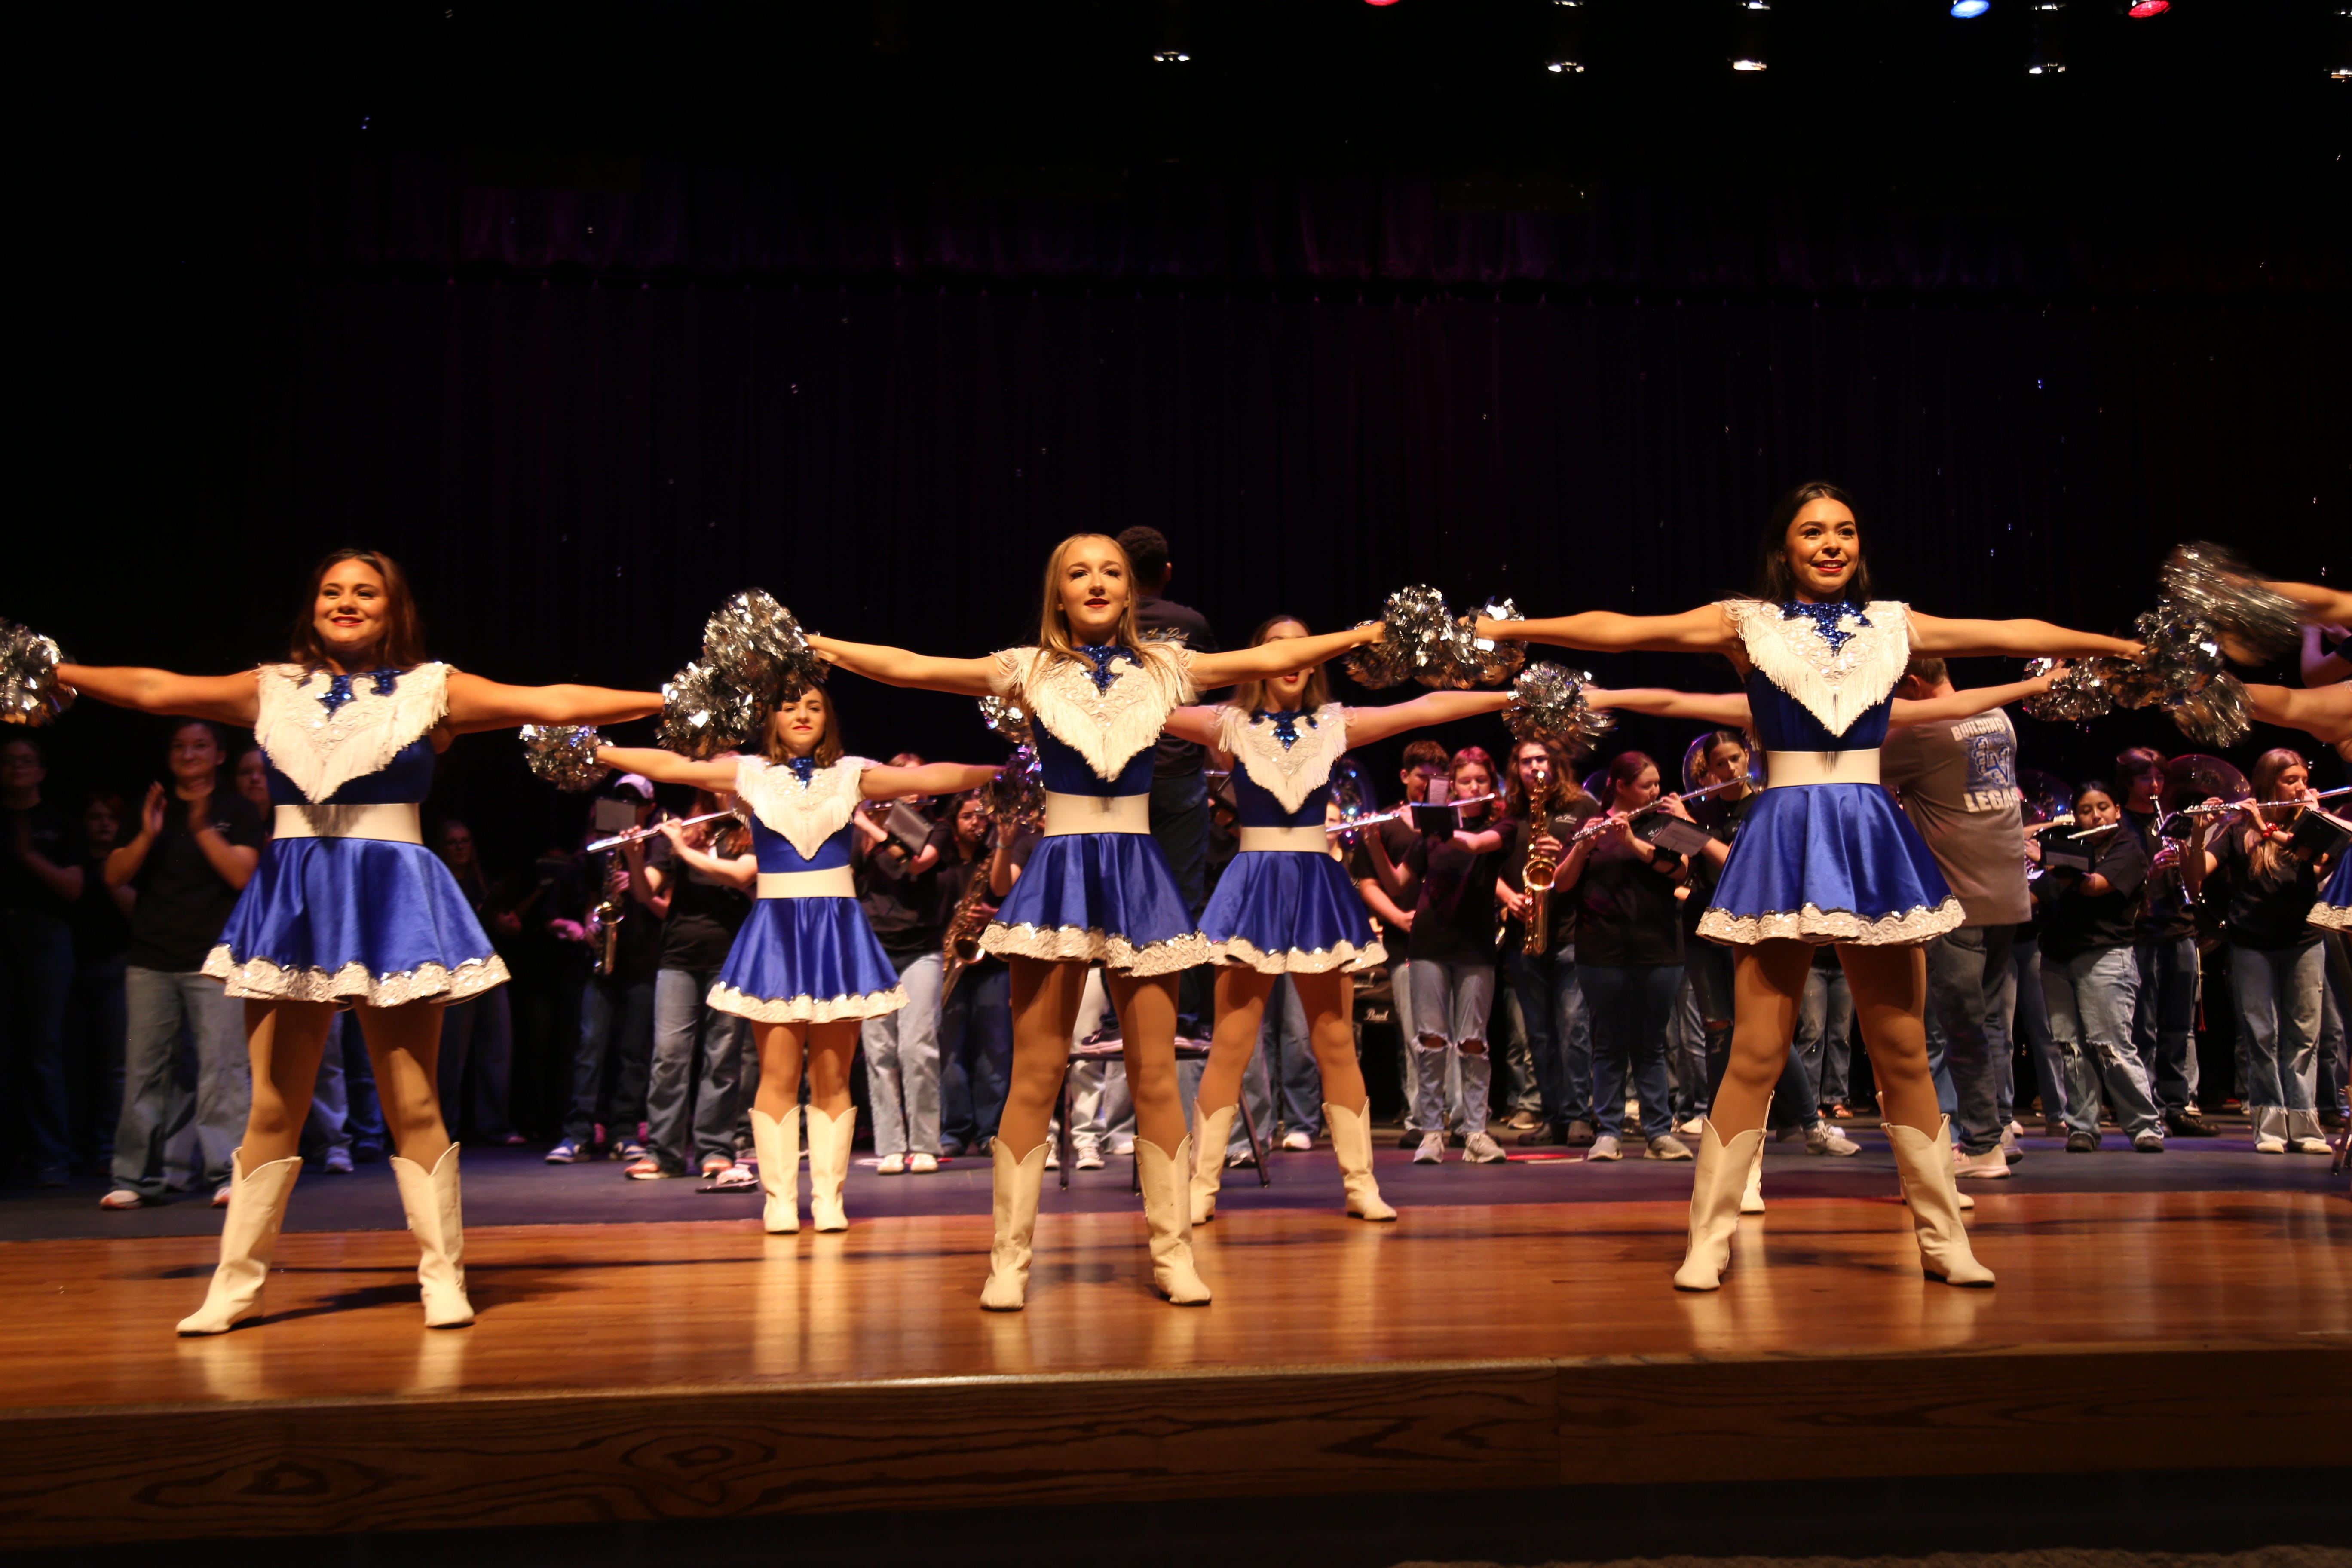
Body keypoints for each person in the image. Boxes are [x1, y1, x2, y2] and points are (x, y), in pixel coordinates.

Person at [1484, 480, 2139, 1289]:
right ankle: (1709, 1236)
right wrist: (1514, 629)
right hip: (1787, 834)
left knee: (1900, 1046)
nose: (1831, 544)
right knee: (1756, 1050)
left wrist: (2121, 649)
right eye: (1812, 532)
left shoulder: (1894, 622)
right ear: (1784, 548)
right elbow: (1626, 630)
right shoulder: (1745, 622)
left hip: (1870, 833)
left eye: (1845, 531)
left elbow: (2010, 631)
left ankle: (1943, 1237)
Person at [54, 546, 662, 1332]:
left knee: (412, 1097)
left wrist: (665, 698)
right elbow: (156, 689)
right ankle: (234, 1286)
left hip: (391, 897)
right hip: (295, 896)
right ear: (312, 605)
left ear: (392, 607)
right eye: (332, 591)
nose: (346, 602)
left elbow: (549, 698)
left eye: (364, 592)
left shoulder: (431, 690)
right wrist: (59, 671)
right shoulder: (270, 686)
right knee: (273, 1104)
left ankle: (442, 1275)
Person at [808, 533, 1381, 1309]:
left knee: (1154, 1074)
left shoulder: (1167, 668)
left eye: (1111, 570)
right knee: (1037, 1071)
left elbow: (1256, 662)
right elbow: (912, 666)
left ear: (1130, 589)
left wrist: (1356, 638)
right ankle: (1008, 1259)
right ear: (1059, 592)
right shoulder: (1026, 669)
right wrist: (817, 647)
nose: (1097, 581)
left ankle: (1173, 1252)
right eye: (1079, 572)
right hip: (1063, 869)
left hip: (1140, 873)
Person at [593, 685, 996, 1232]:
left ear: (828, 717)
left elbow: (929, 779)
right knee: (778, 1072)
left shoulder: (852, 773)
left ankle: (829, 1198)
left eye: (813, 706)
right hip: (778, 931)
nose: (802, 716)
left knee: (833, 1075)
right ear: (771, 718)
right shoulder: (750, 773)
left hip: (837, 930)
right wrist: (595, 752)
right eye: (789, 707)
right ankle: (779, 1200)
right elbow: (671, 766)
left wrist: (1001, 768)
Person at [1170, 613, 1516, 1222]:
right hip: (1252, 887)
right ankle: (1202, 1186)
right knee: (1230, 1045)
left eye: (1303, 647)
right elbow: (1144, 703)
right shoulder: (1226, 725)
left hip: (1314, 889)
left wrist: (1518, 695)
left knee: (1335, 1043)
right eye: (1276, 647)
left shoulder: (1336, 725)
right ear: (1254, 661)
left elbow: (1429, 708)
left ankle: (1361, 1185)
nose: (1291, 658)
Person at [99, 721, 267, 1209]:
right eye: (179, 746)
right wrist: (148, 835)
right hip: (152, 958)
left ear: (219, 755)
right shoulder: (150, 809)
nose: (188, 754)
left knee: (222, 1070)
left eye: (200, 746)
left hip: (213, 960)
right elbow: (113, 874)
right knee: (145, 1071)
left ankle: (225, 1173)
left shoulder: (235, 810)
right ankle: (135, 1178)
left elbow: (242, 875)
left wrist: (200, 829)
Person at [1884, 655, 2040, 1180]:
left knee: (1963, 1028)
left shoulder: (1923, 731)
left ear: (1912, 683)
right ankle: (1998, 1132)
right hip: (2007, 895)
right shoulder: (1998, 718)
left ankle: (1981, 1146)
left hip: (1960, 899)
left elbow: (1853, 772)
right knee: (1993, 1024)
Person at [2174, 750, 2334, 1155]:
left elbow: (2317, 865)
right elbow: (2193, 882)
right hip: (2251, 945)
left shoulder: (2312, 824)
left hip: (2303, 943)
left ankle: (2305, 1124)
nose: (2300, 786)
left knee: (2304, 1035)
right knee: (2262, 1035)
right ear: (2269, 785)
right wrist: (2199, 832)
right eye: (2290, 780)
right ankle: (2270, 1125)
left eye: (2302, 777)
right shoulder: (2235, 831)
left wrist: (2271, 825)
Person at [1554, 752, 1691, 1164]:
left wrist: (1633, 841)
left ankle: (1657, 1133)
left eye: (1656, 783)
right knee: (1609, 1043)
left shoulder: (1664, 824)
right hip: (1603, 951)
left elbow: (1681, 870)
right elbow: (1561, 885)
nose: (1656, 791)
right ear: (1620, 786)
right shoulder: (1587, 825)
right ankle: (1609, 1132)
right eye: (1647, 785)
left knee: (1651, 1044)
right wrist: (1585, 848)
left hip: (1659, 948)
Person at [1117, 526, 1221, 1041]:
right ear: (1167, 572)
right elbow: (1209, 691)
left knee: (1123, 894)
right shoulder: (1191, 623)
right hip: (1180, 776)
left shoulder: (1104, 624)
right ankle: (1182, 1012)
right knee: (1181, 896)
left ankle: (1122, 1016)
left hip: (1119, 778)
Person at [1392, 747, 1510, 1164]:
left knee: (1474, 1041)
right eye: (1465, 782)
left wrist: (1437, 827)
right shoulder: (1430, 838)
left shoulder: (1503, 825)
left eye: (1481, 780)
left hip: (1476, 945)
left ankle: (1476, 1132)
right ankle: (1430, 1133)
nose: (1473, 787)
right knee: (1430, 1042)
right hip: (1428, 944)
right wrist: (1371, 840)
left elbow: (1478, 845)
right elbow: (1395, 882)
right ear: (1453, 786)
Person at [629, 796, 756, 1181]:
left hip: (731, 957)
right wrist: (636, 857)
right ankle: (663, 1152)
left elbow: (739, 876)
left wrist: (683, 850)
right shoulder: (680, 829)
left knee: (722, 1060)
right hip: (679, 958)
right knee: (668, 1057)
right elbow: (643, 891)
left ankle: (715, 1150)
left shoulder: (754, 831)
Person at [2034, 780, 2164, 1154]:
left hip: (2106, 957)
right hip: (2058, 959)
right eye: (2087, 810)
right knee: (2071, 1048)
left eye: (2103, 807)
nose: (2096, 816)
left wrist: (2048, 861)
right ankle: (2083, 1127)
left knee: (2111, 1046)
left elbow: (2094, 886)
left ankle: (2144, 1126)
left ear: (2118, 811)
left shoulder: (2127, 849)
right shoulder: (2066, 849)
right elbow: (2031, 897)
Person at [545, 776, 660, 1165]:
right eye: (621, 799)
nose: (628, 806)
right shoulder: (597, 850)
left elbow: (663, 900)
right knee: (589, 1048)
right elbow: (580, 900)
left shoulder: (660, 842)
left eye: (635, 800)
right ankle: (577, 1133)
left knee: (633, 1052)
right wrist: (591, 919)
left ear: (649, 806)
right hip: (604, 960)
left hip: (644, 959)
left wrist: (637, 863)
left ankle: (624, 1131)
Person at [1493, 738, 1601, 1150]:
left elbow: (1599, 865)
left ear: (1555, 763)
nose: (1534, 767)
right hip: (1525, 937)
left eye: (1541, 759)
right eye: (1525, 761)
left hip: (1572, 933)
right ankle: (1552, 1115)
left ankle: (1577, 1116)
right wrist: (1507, 897)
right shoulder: (1509, 812)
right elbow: (1487, 868)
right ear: (1515, 766)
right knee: (1538, 1034)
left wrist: (1566, 852)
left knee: (1573, 1029)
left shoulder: (1583, 807)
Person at [854, 753, 954, 1175]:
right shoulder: (866, 830)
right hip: (873, 946)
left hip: (921, 948)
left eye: (917, 779)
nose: (911, 787)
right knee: (878, 1050)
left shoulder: (939, 826)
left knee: (918, 1048)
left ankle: (925, 1144)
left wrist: (865, 822)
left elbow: (916, 860)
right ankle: (891, 1145)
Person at [1351, 739, 1449, 1146]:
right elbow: (1369, 883)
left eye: (1436, 779)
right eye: (1422, 778)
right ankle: (1421, 1118)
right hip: (1404, 941)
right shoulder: (1385, 824)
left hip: (1449, 940)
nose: (1428, 786)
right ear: (1405, 776)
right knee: (1415, 1035)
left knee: (1454, 1034)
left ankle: (1457, 1116)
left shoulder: (1451, 821)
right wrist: (1397, 918)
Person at [2113, 748, 2216, 1137]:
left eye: (2159, 778)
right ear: (2128, 782)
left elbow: (2195, 884)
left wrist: (2197, 836)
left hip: (2181, 931)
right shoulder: (2121, 825)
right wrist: (2151, 875)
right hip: (2141, 934)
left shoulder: (2172, 821)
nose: (2155, 786)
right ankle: (2148, 1108)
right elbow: (2118, 887)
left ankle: (2177, 1105)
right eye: (2146, 779)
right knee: (2144, 1027)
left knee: (2179, 1027)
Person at [3, 733, 85, 1187]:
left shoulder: (57, 822)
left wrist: (27, 855)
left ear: (42, 770)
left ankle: (50, 1155)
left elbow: (73, 888)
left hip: (45, 936)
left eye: (26, 760)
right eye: (9, 760)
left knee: (44, 1049)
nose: (17, 767)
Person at [430, 818, 521, 1148]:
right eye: (453, 842)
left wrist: (508, 923)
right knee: (450, 1056)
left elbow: (501, 925)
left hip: (489, 970)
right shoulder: (438, 884)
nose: (460, 847)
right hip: (454, 973)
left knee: (497, 1049)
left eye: (465, 840)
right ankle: (443, 1127)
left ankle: (493, 1124)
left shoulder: (483, 885)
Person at [938, 791, 1014, 1157]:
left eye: (982, 816)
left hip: (991, 964)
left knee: (995, 1052)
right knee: (950, 1054)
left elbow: (1003, 889)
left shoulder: (994, 857)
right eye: (968, 816)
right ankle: (954, 1130)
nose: (976, 822)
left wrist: (1002, 841)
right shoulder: (942, 862)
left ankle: (989, 1132)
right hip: (950, 965)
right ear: (953, 822)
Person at [67, 791, 135, 1177]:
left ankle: (111, 1147)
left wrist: (111, 875)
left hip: (119, 967)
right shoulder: (74, 861)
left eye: (110, 816)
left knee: (115, 1068)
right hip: (77, 968)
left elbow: (136, 912)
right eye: (95, 816)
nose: (103, 823)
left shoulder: (128, 862)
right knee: (75, 1065)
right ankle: (78, 1146)